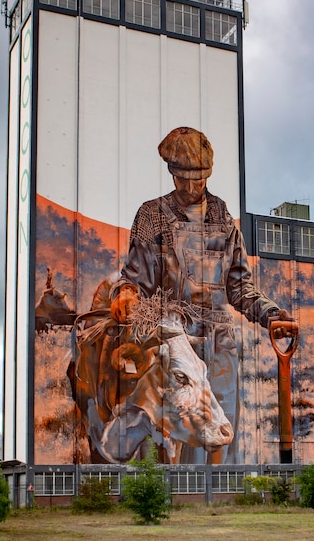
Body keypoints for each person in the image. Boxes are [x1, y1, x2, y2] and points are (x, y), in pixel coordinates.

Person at [110, 126, 292, 463]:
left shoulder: (225, 221)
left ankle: (220, 509)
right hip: (175, 342)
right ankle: (161, 503)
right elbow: (136, 279)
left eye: (200, 178)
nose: (193, 187)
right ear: (171, 173)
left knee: (220, 435)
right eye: (184, 178)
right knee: (172, 433)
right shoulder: (151, 215)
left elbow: (240, 288)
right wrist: (125, 293)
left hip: (220, 344)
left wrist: (271, 314)